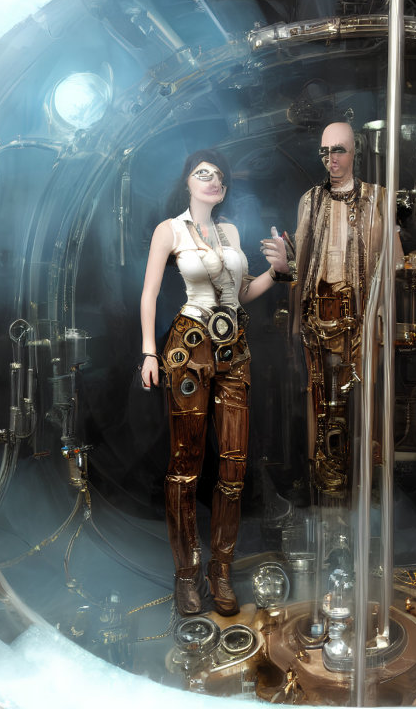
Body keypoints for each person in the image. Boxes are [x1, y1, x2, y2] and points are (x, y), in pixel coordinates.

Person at [139, 148, 281, 617]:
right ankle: (186, 576)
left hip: (234, 348)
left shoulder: (230, 232)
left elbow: (242, 296)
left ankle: (220, 570)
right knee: (186, 464)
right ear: (187, 181)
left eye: (219, 175)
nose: (213, 181)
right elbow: (151, 292)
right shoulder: (170, 229)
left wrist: (277, 274)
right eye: (203, 173)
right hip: (189, 347)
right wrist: (147, 351)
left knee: (235, 465)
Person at [263, 120, 399, 499]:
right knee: (320, 404)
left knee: (364, 404)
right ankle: (325, 491)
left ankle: (367, 493)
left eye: (338, 150)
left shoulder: (378, 198)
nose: (331, 159)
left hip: (362, 319)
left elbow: (394, 265)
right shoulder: (311, 200)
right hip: (318, 318)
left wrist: (383, 322)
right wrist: (293, 324)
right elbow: (300, 265)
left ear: (355, 151)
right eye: (325, 151)